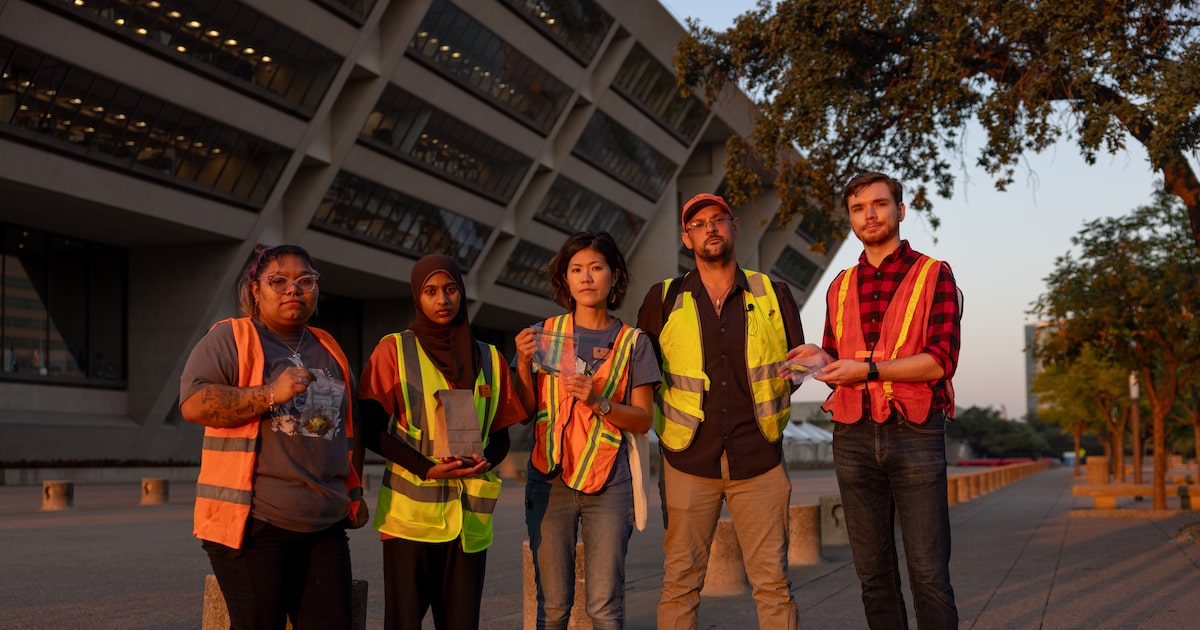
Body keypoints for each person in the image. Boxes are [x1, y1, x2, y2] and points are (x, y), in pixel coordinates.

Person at [786, 172, 963, 629]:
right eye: (859, 208)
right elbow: (836, 368)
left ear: (900, 211)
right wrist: (818, 358)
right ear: (850, 219)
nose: (870, 214)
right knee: (873, 576)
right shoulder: (839, 285)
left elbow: (940, 361)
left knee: (928, 573)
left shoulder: (933, 273)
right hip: (852, 434)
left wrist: (865, 370)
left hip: (916, 430)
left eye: (880, 204)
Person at [636, 193, 804, 630]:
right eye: (698, 224)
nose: (709, 228)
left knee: (773, 585)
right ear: (686, 237)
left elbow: (796, 367)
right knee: (680, 584)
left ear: (734, 227)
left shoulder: (773, 292)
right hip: (688, 459)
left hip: (760, 458)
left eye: (718, 220)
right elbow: (637, 373)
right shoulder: (663, 298)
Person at [180, 244, 367, 630]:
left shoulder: (329, 349)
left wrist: (354, 493)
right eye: (278, 281)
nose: (293, 290)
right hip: (254, 525)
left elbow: (349, 430)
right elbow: (193, 403)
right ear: (255, 290)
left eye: (305, 281)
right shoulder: (231, 338)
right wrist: (268, 394)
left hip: (324, 523)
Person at [358, 254, 527, 630]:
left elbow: (499, 435)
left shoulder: (489, 357)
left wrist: (487, 461)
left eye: (450, 290)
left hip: (469, 523)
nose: (442, 300)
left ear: (462, 293)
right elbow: (369, 428)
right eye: (431, 291)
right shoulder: (395, 350)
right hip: (411, 521)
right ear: (417, 298)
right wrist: (425, 467)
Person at [512, 231, 659, 629]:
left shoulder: (633, 342)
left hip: (609, 483)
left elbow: (645, 420)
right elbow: (525, 412)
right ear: (565, 279)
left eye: (596, 268)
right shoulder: (545, 336)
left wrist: (600, 403)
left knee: (605, 607)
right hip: (549, 479)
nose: (586, 277)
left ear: (615, 277)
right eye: (576, 269)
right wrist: (523, 365)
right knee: (553, 607)